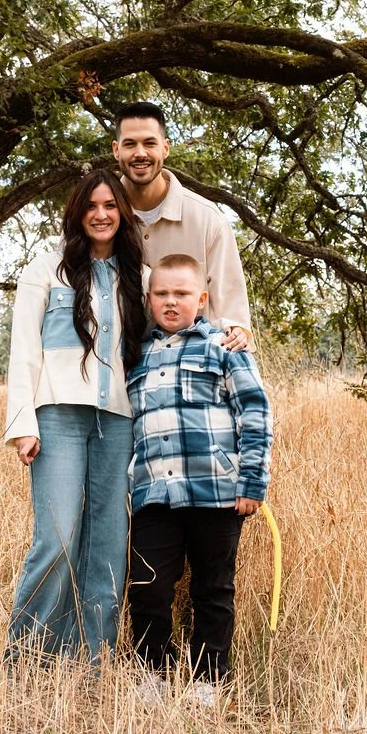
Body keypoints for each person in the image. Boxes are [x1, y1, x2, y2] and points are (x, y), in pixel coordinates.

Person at [5, 169, 148, 659]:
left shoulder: (141, 278)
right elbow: (24, 350)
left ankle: (92, 662)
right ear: (77, 212)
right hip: (58, 418)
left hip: (119, 422)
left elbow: (181, 317)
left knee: (108, 543)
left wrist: (231, 330)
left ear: (122, 213)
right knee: (59, 539)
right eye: (91, 205)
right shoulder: (46, 269)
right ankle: (30, 659)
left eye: (110, 206)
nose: (101, 214)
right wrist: (23, 424)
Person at [126, 253, 272, 693]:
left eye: (181, 293)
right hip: (155, 495)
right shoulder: (136, 356)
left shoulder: (224, 347)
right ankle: (154, 675)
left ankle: (208, 680)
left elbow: (255, 414)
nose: (171, 302)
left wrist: (251, 481)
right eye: (161, 294)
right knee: (148, 586)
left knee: (213, 588)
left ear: (202, 299)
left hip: (216, 492)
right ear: (148, 299)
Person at [112, 101, 253, 348]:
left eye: (150, 143)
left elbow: (234, 323)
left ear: (165, 148)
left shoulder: (208, 220)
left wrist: (237, 334)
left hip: (194, 365)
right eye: (130, 144)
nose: (140, 153)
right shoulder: (95, 219)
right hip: (116, 365)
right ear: (116, 150)